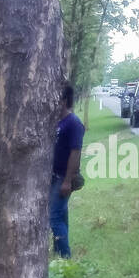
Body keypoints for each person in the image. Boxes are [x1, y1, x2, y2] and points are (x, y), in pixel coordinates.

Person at [50, 83, 85, 259]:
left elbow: (76, 152)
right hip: (53, 175)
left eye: (56, 97)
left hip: (62, 178)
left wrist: (67, 181)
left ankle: (64, 256)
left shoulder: (73, 123)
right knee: (61, 216)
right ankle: (60, 254)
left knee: (53, 217)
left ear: (63, 100)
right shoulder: (58, 121)